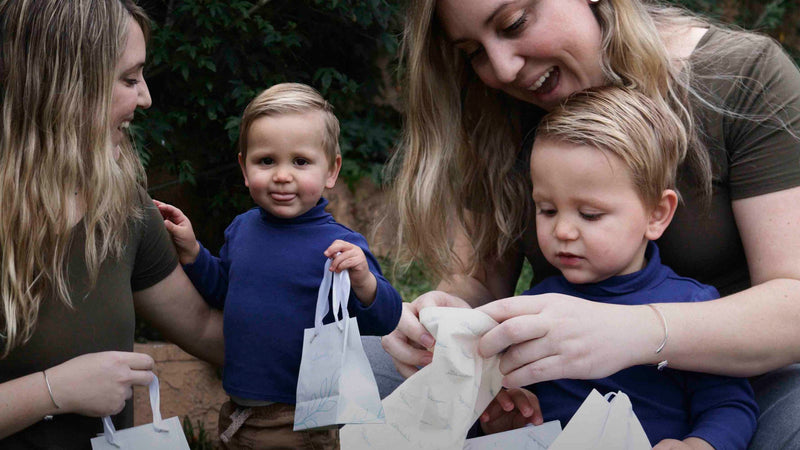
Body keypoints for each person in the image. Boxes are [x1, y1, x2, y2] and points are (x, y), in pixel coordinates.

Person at [375, 0, 800, 448]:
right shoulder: (499, 104)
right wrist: (442, 324)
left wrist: (629, 331)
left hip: (746, 373)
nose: (501, 69)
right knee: (368, 364)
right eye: (472, 52)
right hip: (560, 395)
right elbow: (478, 282)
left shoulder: (744, 76)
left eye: (514, 23)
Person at [0, 1, 224, 448]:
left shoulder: (122, 207)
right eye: (128, 79)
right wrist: (55, 390)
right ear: (62, 84)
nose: (145, 97)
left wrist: (378, 316)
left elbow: (205, 329)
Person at [483, 86, 758, 448]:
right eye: (546, 210)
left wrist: (699, 444)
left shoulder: (692, 305)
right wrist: (505, 421)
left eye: (590, 214)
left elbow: (731, 405)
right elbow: (503, 403)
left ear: (656, 214)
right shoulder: (534, 308)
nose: (562, 230)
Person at [156, 82, 403, 449]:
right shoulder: (242, 229)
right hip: (239, 412)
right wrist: (192, 252)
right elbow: (225, 291)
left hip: (304, 419)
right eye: (266, 161)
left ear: (331, 170)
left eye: (300, 161)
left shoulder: (340, 247)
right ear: (244, 167)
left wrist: (364, 282)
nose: (282, 175)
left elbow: (384, 320)